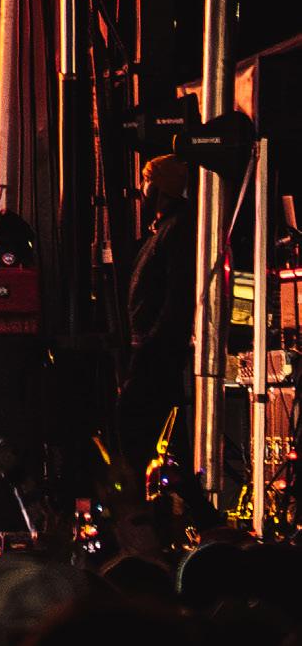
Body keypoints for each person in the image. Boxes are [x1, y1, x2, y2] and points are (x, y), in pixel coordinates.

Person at [119, 153, 196, 486]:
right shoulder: (163, 229)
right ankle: (185, 499)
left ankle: (142, 501)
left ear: (159, 187)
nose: (141, 187)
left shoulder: (177, 229)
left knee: (132, 426)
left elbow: (177, 295)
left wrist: (152, 343)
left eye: (146, 180)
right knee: (163, 435)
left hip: (157, 350)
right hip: (153, 347)